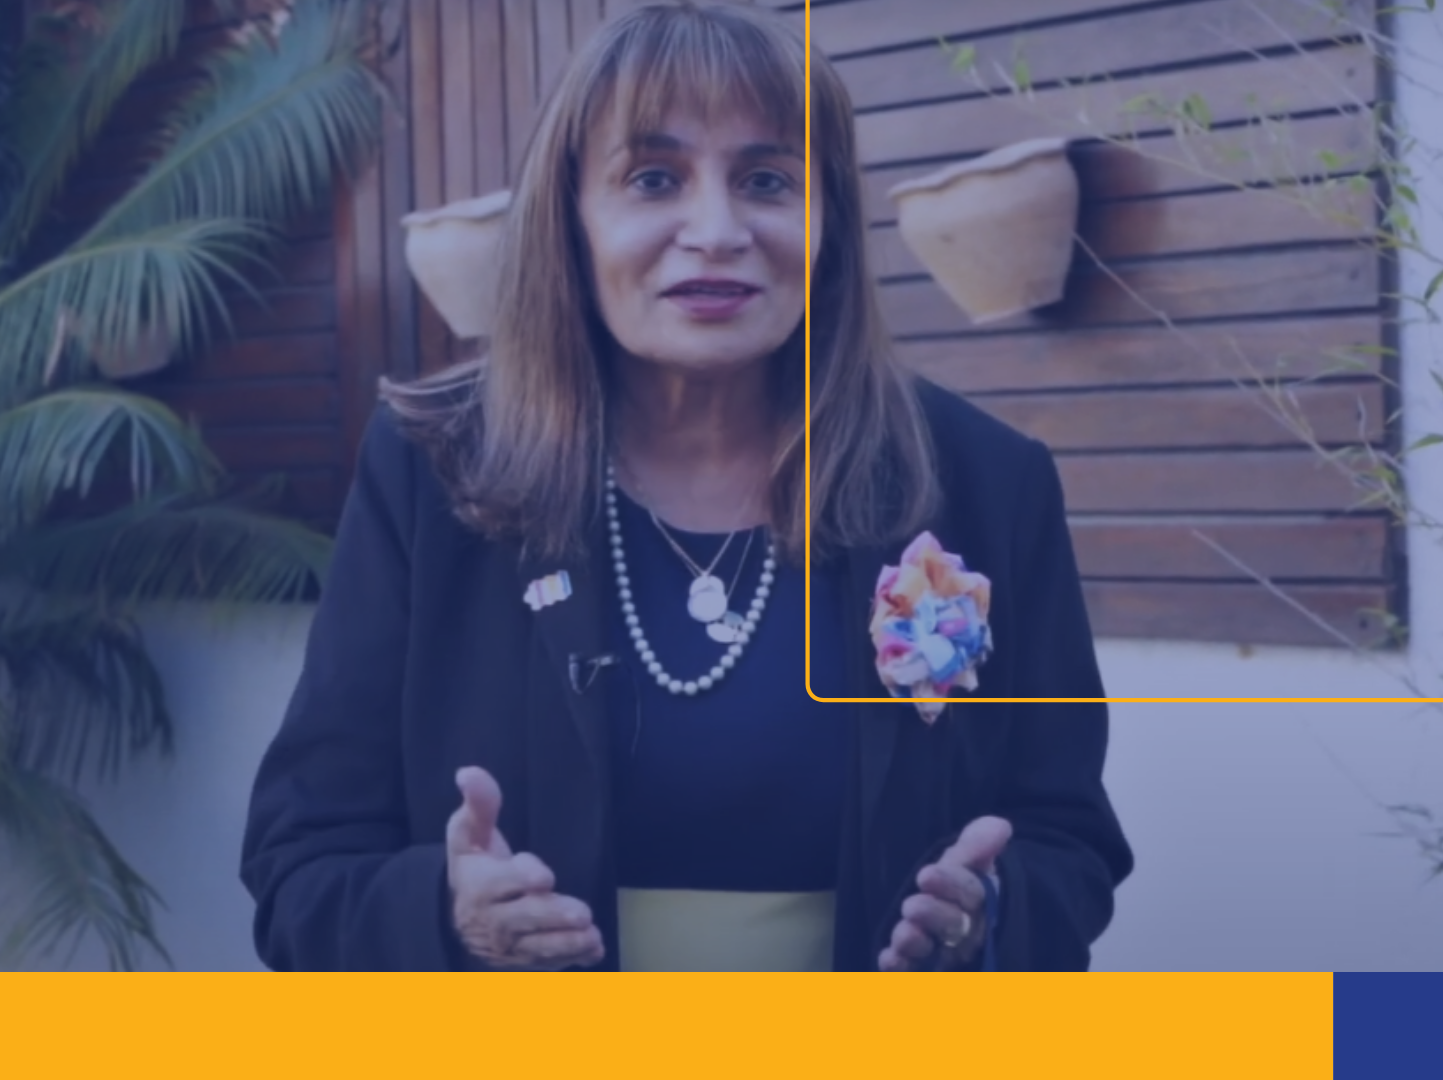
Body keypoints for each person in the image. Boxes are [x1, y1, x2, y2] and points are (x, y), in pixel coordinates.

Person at [238, 0, 1133, 972]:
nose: (715, 231)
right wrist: (449, 917)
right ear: (570, 218)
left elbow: (1069, 844)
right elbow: (300, 870)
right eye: (653, 178)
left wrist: (989, 918)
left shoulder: (986, 484)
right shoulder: (432, 472)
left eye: (767, 180)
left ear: (829, 223)